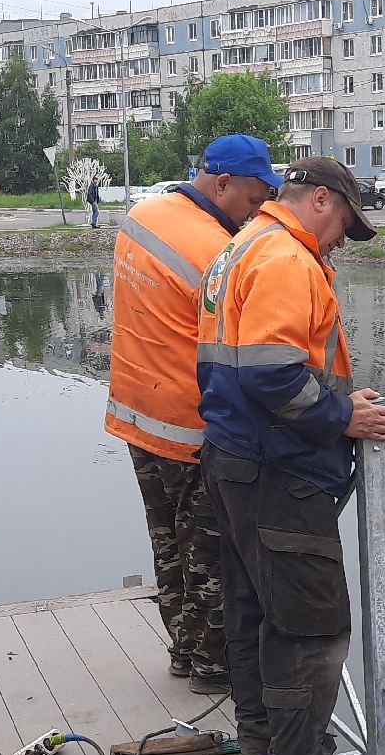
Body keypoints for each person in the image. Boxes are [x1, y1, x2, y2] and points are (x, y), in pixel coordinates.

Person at [197, 155, 385, 755]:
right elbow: (272, 374)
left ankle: (261, 744)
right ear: (322, 200)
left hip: (234, 458)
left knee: (253, 609)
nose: (342, 241)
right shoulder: (285, 257)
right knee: (310, 625)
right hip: (278, 470)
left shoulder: (240, 246)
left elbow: (244, 365)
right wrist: (342, 416)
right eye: (345, 226)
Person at [105, 134, 281, 696]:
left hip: (136, 411)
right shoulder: (218, 251)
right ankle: (212, 667)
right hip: (190, 426)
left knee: (167, 543)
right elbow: (247, 349)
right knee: (208, 553)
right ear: (223, 182)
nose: (255, 212)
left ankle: (182, 651)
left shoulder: (143, 214)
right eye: (252, 199)